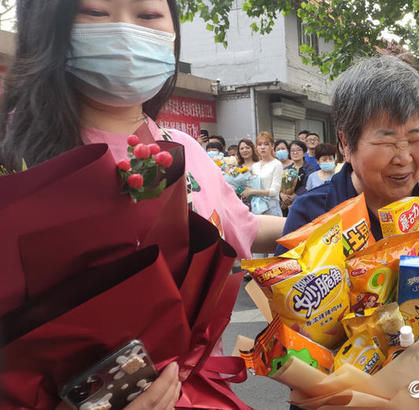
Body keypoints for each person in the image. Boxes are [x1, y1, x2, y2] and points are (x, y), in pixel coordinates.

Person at [0, 1, 285, 405]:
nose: (125, 35)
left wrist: (337, 218)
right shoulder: (15, 164)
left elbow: (247, 229)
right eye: (96, 14)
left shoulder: (182, 151)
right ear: (50, 27)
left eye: (148, 16)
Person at [277, 56, 419, 255]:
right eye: (386, 142)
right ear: (346, 143)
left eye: (415, 139)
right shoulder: (312, 214)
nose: (404, 159)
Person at [243, 131, 283, 217]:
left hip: (271, 207)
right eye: (259, 144)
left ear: (272, 146)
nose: (262, 147)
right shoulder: (255, 166)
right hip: (256, 207)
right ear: (256, 147)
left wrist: (252, 191)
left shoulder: (277, 164)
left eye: (266, 144)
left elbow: (274, 191)